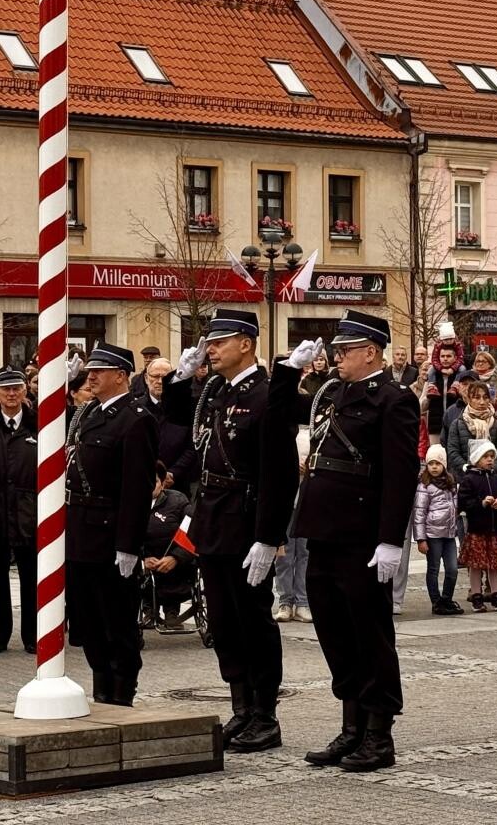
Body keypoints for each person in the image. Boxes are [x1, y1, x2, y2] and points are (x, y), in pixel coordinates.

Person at [271, 310, 419, 772]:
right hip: (324, 531)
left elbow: (400, 474)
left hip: (362, 536)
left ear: (370, 351)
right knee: (335, 633)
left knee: (370, 635)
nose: (335, 357)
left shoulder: (393, 400)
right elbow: (276, 412)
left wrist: (390, 539)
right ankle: (351, 727)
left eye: (344, 350)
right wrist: (289, 371)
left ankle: (378, 734)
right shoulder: (332, 393)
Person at [163, 310, 289, 751]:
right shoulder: (217, 388)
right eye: (208, 343)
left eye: (219, 342)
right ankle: (240, 707)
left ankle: (264, 714)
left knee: (251, 618)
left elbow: (279, 474)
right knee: (221, 618)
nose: (210, 350)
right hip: (211, 515)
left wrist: (269, 536)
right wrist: (179, 380)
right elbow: (179, 429)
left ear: (247, 344)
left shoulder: (266, 394)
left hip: (245, 516)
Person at [65, 343, 157, 707]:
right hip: (81, 531)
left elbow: (136, 488)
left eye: (99, 371)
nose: (92, 376)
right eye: (89, 371)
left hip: (109, 533)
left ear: (121, 375)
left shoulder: (136, 419)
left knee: (116, 621)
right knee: (87, 621)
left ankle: (121, 693)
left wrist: (128, 544)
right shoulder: (89, 414)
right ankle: (101, 687)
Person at [0, 369, 38, 655]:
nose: (11, 395)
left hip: (30, 511)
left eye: (17, 389)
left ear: (25, 392)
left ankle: (34, 634)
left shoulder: (40, 426)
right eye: (6, 390)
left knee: (33, 576)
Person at [458, 439, 497, 612]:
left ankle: (496, 595)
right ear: (475, 459)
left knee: (495, 565)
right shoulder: (469, 480)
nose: (490, 460)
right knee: (476, 565)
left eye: (491, 456)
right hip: (477, 530)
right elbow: (463, 502)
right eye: (485, 456)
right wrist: (481, 503)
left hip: (495, 530)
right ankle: (476, 596)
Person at [141, 462, 195, 628]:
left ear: (163, 482)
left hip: (176, 565)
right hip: (144, 565)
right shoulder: (130, 503)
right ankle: (148, 608)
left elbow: (192, 530)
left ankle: (172, 610)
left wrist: (175, 558)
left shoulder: (178, 501)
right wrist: (142, 561)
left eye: (155, 481)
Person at [413, 445, 462, 616]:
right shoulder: (424, 486)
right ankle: (436, 601)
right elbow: (419, 513)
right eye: (431, 463)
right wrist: (420, 539)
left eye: (438, 463)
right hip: (432, 535)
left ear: (444, 465)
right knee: (433, 568)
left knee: (452, 569)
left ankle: (446, 599)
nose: (434, 467)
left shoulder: (451, 483)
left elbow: (455, 507)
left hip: (448, 534)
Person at [141, 358, 196, 491]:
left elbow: (193, 445)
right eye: (155, 376)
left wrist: (172, 473)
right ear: (146, 378)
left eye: (165, 377)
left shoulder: (187, 408)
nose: (160, 381)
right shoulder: (135, 409)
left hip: (178, 484)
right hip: (142, 482)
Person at [274, 426, 312, 624]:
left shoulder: (312, 432)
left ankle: (303, 601)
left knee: (305, 553)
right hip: (285, 501)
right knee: (284, 555)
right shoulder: (281, 432)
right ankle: (285, 601)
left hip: (307, 501)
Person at [447, 381, 497, 476]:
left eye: (485, 398)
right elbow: (453, 451)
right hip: (465, 478)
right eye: (477, 397)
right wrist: (467, 468)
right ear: (469, 399)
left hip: (492, 477)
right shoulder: (457, 424)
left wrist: (493, 469)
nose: (482, 402)